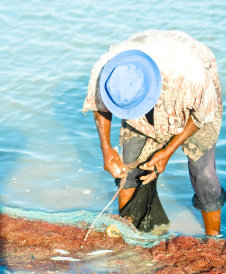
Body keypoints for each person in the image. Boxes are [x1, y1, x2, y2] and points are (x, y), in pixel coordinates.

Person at [83, 30, 225, 236]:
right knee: (130, 165)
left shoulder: (191, 77)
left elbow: (201, 116)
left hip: (193, 91)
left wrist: (167, 152)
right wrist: (106, 148)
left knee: (203, 174)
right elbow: (100, 106)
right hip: (149, 60)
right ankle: (129, 232)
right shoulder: (105, 70)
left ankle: (214, 238)